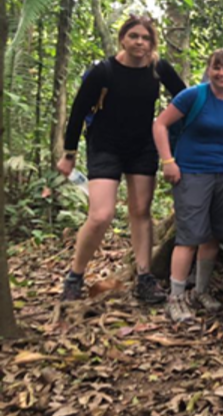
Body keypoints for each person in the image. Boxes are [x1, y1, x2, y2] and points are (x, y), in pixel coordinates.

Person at [57, 15, 187, 303]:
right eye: (134, 36)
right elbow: (78, 112)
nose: (139, 42)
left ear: (152, 42)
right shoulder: (104, 71)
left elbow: (185, 98)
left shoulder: (158, 68)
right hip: (105, 145)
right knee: (100, 214)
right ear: (123, 39)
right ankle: (75, 276)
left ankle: (144, 277)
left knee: (141, 211)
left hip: (142, 145)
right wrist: (68, 154)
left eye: (145, 38)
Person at [154, 50, 223, 324]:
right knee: (188, 236)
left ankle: (201, 291)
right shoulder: (193, 96)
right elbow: (160, 124)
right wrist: (168, 161)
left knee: (214, 235)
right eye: (216, 68)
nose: (222, 73)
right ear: (209, 70)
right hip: (191, 172)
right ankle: (175, 298)